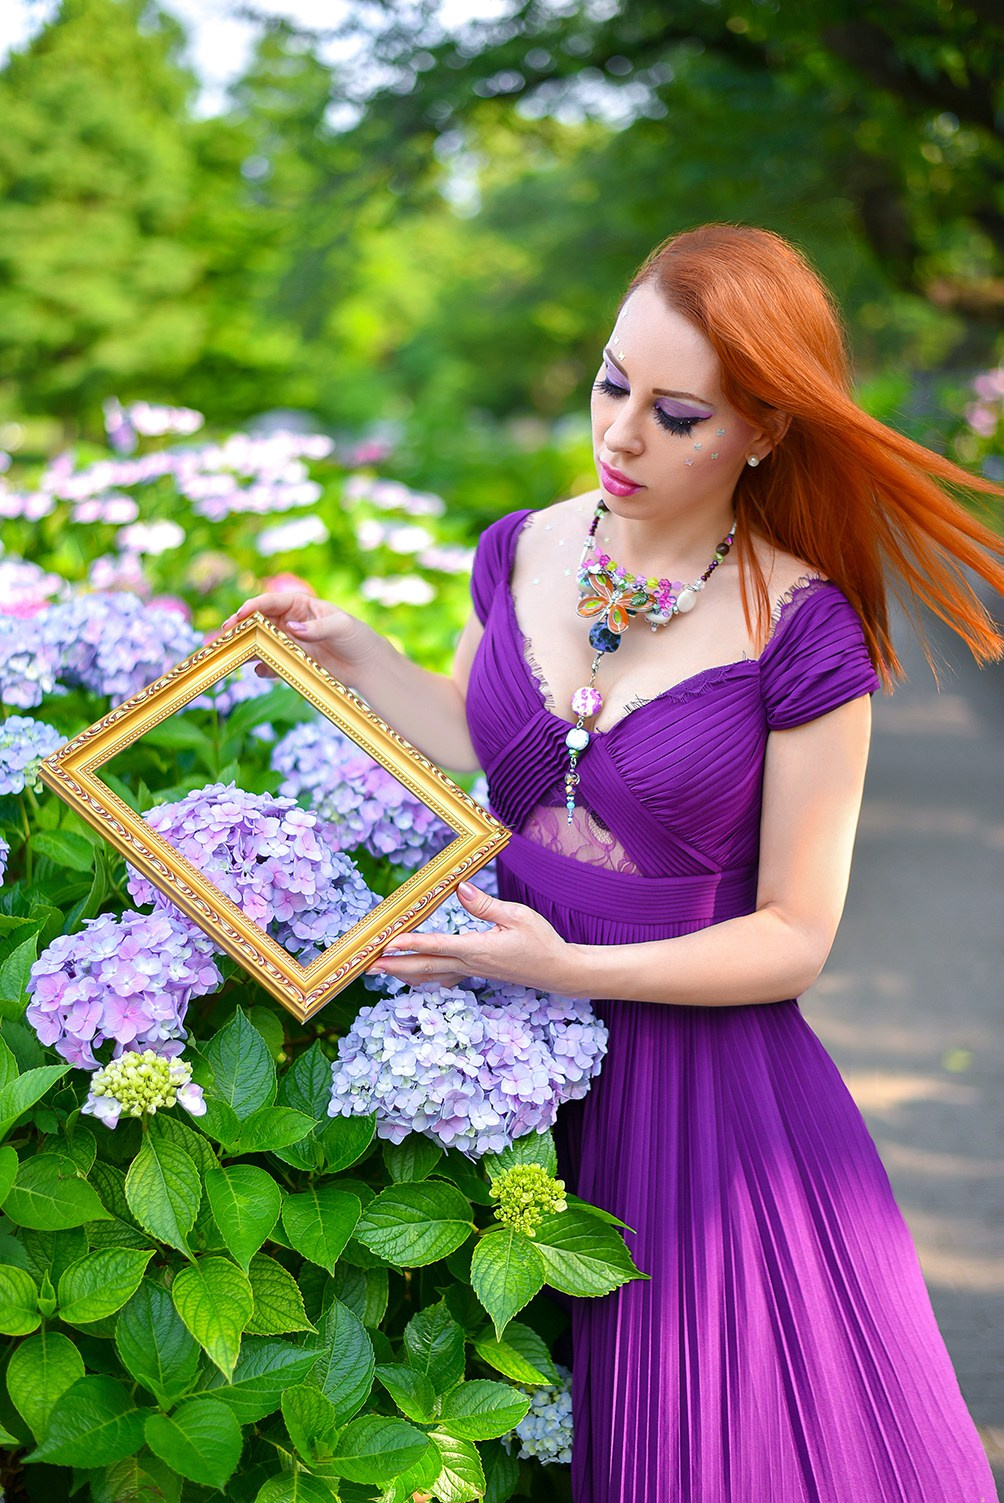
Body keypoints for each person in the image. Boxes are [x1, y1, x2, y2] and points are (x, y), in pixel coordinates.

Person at [225, 224, 1003, 1502]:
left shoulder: (801, 629)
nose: (621, 434)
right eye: (610, 383)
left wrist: (572, 969)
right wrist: (347, 645)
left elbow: (794, 935)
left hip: (701, 1101)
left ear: (763, 430)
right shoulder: (524, 546)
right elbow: (491, 751)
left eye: (676, 414)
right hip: (499, 1058)